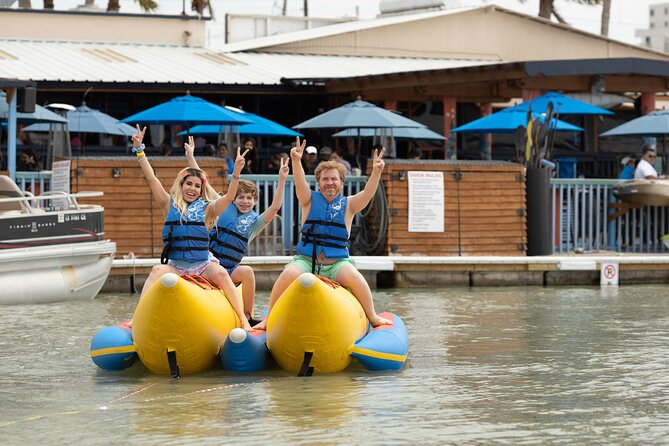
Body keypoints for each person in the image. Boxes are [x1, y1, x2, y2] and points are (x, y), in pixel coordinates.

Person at [253, 137, 392, 330]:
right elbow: (300, 183)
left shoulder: (349, 204)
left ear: (341, 183)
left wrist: (377, 172)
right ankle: (269, 319)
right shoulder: (308, 199)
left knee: (356, 278)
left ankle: (372, 316)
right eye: (325, 179)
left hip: (335, 264)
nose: (329, 183)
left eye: (334, 179)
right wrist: (296, 161)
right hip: (306, 261)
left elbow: (367, 194)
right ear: (318, 183)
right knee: (287, 274)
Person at [131, 125, 252, 331]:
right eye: (189, 184)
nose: (192, 189)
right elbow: (152, 179)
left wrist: (237, 173)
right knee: (156, 270)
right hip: (176, 265)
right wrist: (140, 151)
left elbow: (230, 197)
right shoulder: (168, 204)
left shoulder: (208, 210)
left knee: (222, 274)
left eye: (197, 186)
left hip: (203, 265)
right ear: (181, 184)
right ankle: (137, 320)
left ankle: (243, 320)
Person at [185, 141, 290, 321]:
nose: (245, 201)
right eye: (240, 197)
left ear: (255, 202)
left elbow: (274, 208)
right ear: (233, 199)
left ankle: (248, 315)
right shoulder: (223, 205)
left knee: (248, 272)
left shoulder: (255, 223)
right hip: (207, 264)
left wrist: (282, 180)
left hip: (230, 269)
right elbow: (204, 183)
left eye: (250, 198)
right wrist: (190, 157)